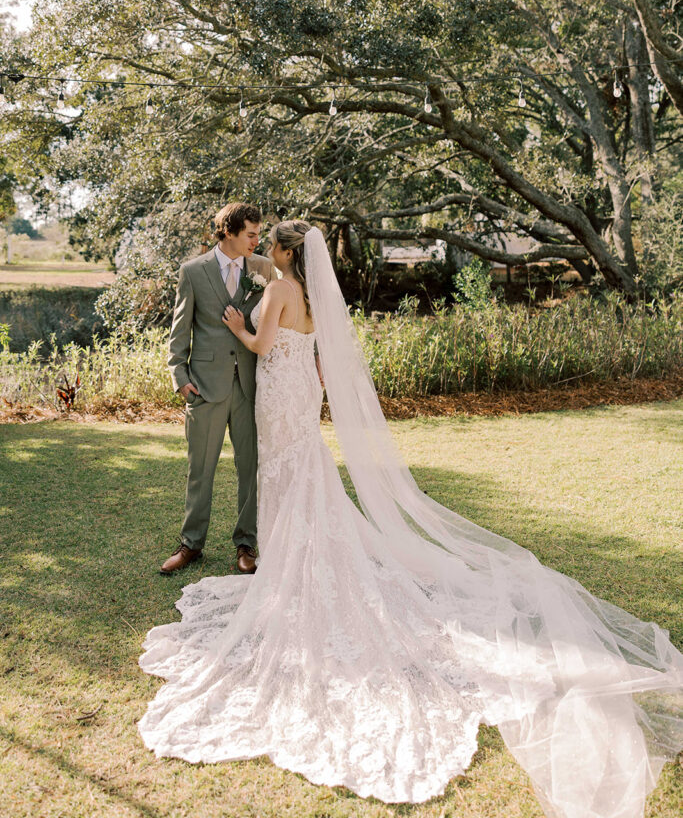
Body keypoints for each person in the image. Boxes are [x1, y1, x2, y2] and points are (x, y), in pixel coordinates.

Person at [139, 221, 683, 818]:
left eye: (272, 244)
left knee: (281, 477)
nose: (264, 247)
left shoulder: (276, 291)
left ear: (288, 251)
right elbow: (303, 343)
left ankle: (287, 566)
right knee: (304, 473)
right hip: (300, 394)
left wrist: (241, 327)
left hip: (276, 390)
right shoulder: (314, 292)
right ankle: (298, 552)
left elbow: (265, 346)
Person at [160, 202, 276, 576]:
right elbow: (180, 330)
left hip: (250, 385)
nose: (258, 242)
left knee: (251, 468)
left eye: (259, 234)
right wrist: (180, 379)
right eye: (251, 235)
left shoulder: (262, 269)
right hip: (205, 387)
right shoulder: (192, 272)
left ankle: (246, 544)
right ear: (228, 231)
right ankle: (191, 544)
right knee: (200, 470)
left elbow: (281, 318)